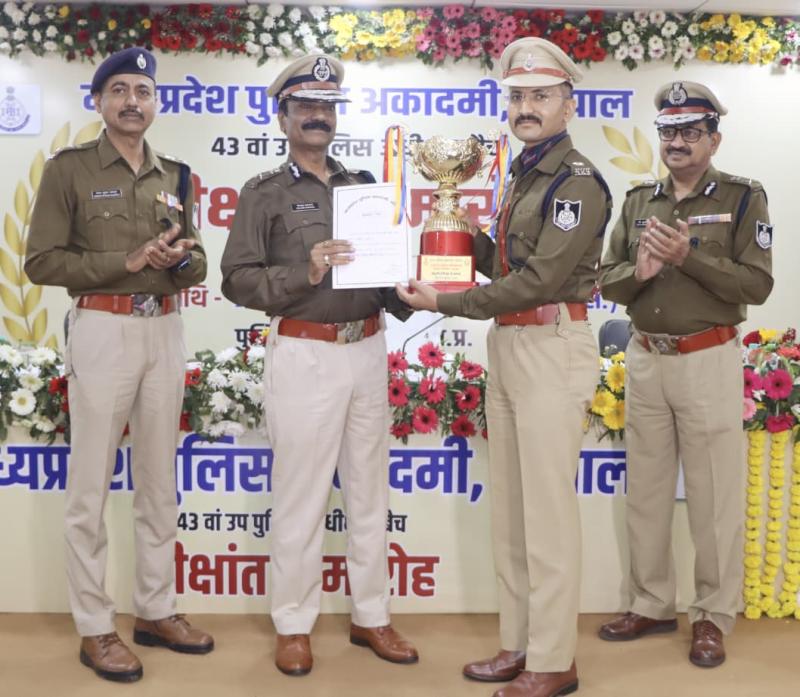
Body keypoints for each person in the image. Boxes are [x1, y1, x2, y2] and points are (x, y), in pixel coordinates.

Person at [397, 38, 612, 697]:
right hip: (513, 343)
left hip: (552, 342)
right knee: (513, 513)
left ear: (568, 104)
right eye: (517, 96)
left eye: (540, 95)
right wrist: (458, 230)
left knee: (547, 515)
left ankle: (554, 659)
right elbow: (508, 266)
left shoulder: (576, 181)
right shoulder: (524, 173)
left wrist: (446, 302)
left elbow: (541, 280)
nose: (526, 107)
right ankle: (520, 643)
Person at [220, 54, 417, 677]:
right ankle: (293, 623)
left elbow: (381, 277)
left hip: (367, 349)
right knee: (301, 497)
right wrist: (302, 272)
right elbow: (236, 279)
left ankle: (371, 617)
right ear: (283, 117)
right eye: (305, 106)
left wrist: (413, 288)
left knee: (369, 494)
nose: (317, 116)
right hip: (304, 353)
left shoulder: (363, 187)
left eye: (327, 107)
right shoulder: (263, 193)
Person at [25, 48, 212, 683]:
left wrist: (181, 260)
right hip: (102, 329)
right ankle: (95, 626)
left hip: (164, 330)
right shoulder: (70, 170)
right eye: (120, 90)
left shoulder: (177, 176)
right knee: (90, 488)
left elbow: (198, 263)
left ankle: (155, 611)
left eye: (143, 91)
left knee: (159, 483)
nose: (134, 101)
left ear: (156, 102)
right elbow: (41, 262)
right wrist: (125, 262)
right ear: (99, 101)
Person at [598, 81, 773, 667]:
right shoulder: (638, 200)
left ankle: (712, 616)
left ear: (713, 139)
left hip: (706, 359)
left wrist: (687, 258)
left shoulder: (744, 198)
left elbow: (757, 284)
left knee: (713, 498)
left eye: (690, 131)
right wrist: (642, 271)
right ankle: (650, 603)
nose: (676, 142)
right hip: (645, 357)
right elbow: (606, 278)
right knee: (646, 493)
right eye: (668, 131)